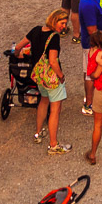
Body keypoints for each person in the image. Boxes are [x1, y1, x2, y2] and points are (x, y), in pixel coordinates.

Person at [16, 9, 72, 154]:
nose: (64, 26)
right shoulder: (54, 37)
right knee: (55, 110)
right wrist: (61, 76)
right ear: (54, 20)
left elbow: (18, 47)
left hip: (39, 76)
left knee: (43, 101)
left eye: (65, 23)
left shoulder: (35, 30)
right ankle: (53, 145)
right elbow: (53, 61)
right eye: (62, 23)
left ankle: (38, 133)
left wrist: (17, 55)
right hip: (51, 79)